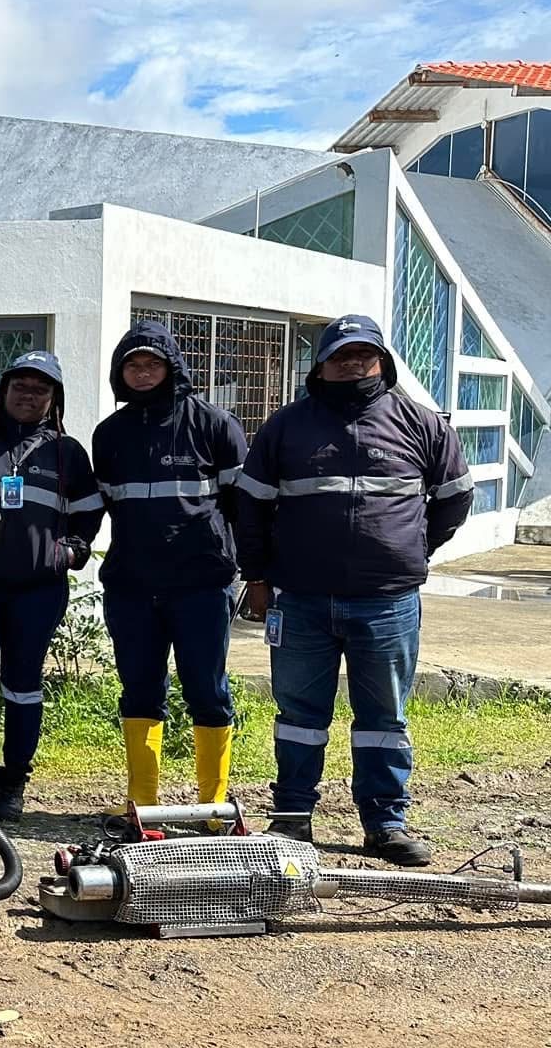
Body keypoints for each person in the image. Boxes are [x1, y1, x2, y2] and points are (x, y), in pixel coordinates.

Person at [234, 314, 472, 866]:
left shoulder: (420, 423)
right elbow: (250, 507)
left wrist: (412, 547)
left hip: (387, 602)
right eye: (341, 355)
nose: (352, 363)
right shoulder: (286, 427)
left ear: (381, 361)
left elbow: (455, 496)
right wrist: (258, 576)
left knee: (384, 718)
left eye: (363, 354)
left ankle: (386, 823)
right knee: (298, 714)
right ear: (320, 364)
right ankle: (292, 817)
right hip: (301, 600)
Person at [91, 319, 248, 813]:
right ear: (120, 372)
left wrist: (250, 571)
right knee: (139, 689)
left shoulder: (215, 425)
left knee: (207, 689)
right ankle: (142, 801)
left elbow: (244, 507)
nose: (142, 372)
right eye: (133, 365)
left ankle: (213, 804)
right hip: (132, 586)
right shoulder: (109, 434)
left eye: (152, 363)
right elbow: (103, 505)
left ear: (172, 366)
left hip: (202, 583)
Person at [0, 351, 103, 823]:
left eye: (40, 389)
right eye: (20, 386)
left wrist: (71, 552)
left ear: (54, 398)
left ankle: (14, 782)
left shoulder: (67, 452)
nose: (29, 395)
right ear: (4, 391)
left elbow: (88, 513)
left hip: (37, 591)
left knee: (23, 686)